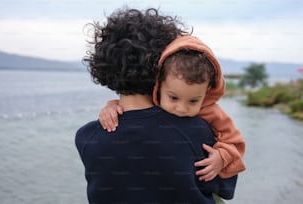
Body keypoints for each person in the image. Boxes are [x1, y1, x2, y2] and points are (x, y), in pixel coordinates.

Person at [75, 7, 237, 204]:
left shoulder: (86, 138)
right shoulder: (197, 131)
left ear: (103, 66)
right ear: (165, 68)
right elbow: (224, 188)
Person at [99, 35, 246, 182]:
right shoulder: (155, 99)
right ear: (160, 84)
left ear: (207, 90)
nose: (182, 109)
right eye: (174, 98)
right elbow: (132, 105)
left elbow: (234, 141)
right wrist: (112, 106)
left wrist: (222, 157)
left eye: (194, 101)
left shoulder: (212, 111)